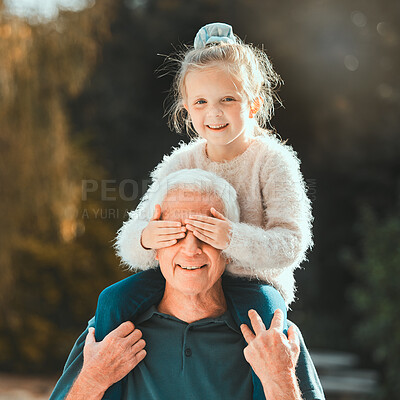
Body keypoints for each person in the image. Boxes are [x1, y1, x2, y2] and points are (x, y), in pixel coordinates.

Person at [94, 22, 315, 399]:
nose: (214, 113)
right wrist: (147, 237)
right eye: (201, 102)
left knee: (267, 324)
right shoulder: (179, 163)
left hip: (250, 282)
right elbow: (130, 242)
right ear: (186, 109)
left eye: (227, 99)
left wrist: (232, 238)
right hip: (184, 274)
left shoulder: (273, 162)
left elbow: (292, 242)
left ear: (254, 103)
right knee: (112, 300)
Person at [50, 170, 324, 400]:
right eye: (175, 233)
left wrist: (281, 381)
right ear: (155, 247)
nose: (190, 250)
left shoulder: (276, 339)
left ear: (229, 248)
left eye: (206, 232)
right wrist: (93, 379)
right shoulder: (109, 333)